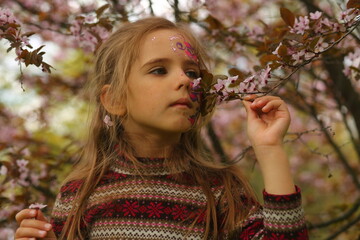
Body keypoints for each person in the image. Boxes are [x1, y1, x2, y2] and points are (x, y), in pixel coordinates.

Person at [15, 17, 309, 239]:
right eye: (159, 70)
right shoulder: (79, 195)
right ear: (115, 99)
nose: (185, 81)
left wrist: (269, 149)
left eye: (192, 73)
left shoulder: (222, 191)